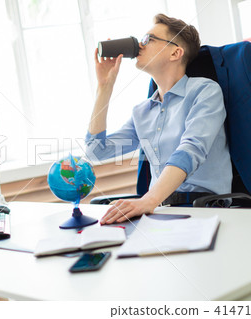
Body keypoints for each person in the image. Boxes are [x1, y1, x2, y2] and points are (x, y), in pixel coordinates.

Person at [85, 14, 232, 225]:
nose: (139, 46)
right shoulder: (142, 111)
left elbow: (191, 150)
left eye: (148, 39)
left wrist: (148, 200)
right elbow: (96, 150)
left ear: (175, 52)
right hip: (160, 211)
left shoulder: (205, 91)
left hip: (203, 209)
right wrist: (104, 88)